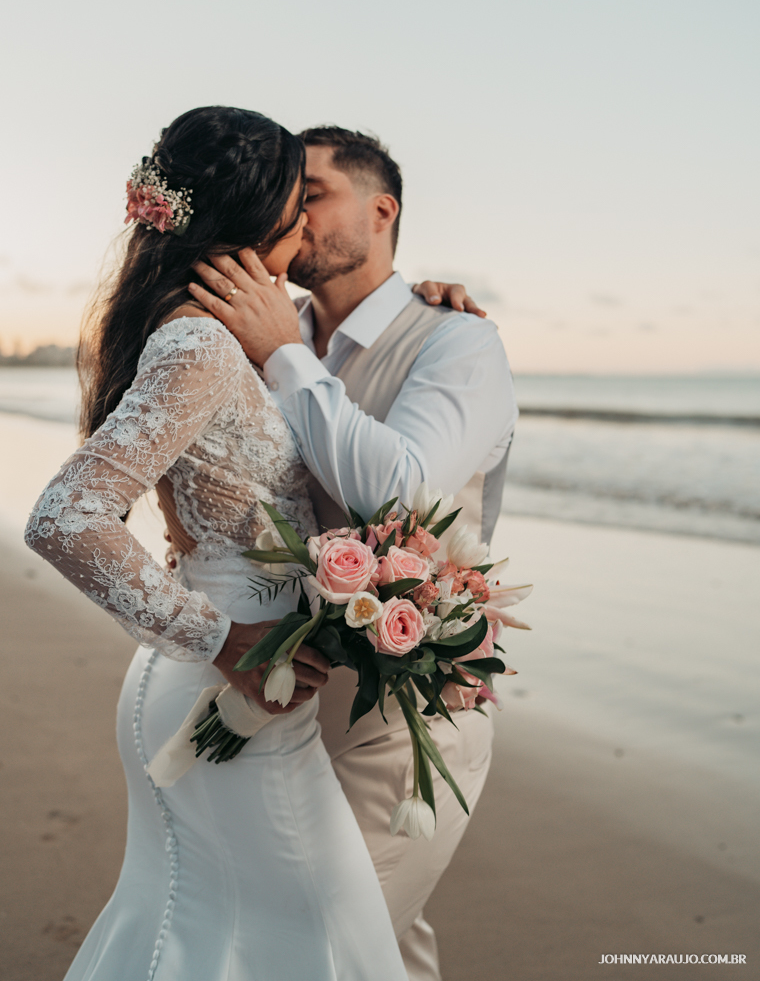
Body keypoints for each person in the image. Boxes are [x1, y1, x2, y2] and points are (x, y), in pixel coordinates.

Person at [24, 107, 409, 981]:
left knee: (221, 929)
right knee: (299, 927)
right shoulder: (199, 341)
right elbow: (64, 516)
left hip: (246, 677)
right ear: (255, 216)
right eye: (294, 198)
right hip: (225, 677)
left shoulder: (225, 330)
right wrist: (220, 640)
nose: (307, 220)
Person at [187, 125, 518, 981]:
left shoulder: (457, 341)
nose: (293, 211)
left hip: (407, 710)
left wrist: (285, 355)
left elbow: (403, 495)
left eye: (316, 192)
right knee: (385, 951)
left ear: (382, 211)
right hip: (280, 690)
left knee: (326, 943)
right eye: (288, 195)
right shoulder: (266, 328)